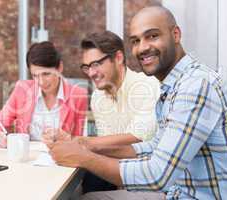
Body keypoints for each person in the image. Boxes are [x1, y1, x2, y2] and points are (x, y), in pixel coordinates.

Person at [48, 6, 227, 200]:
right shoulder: (173, 87)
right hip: (176, 192)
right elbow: (153, 147)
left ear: (176, 34)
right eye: (136, 41)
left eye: (152, 36)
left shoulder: (195, 86)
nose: (143, 47)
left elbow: (158, 175)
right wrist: (88, 144)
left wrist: (83, 157)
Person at [44, 31, 159, 193]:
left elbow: (138, 137)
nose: (91, 73)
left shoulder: (147, 86)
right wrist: (73, 141)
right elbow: (108, 146)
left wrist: (81, 142)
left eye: (96, 64)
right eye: (87, 67)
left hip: (148, 179)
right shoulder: (98, 97)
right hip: (118, 174)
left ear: (118, 58)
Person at [0, 41, 88, 147]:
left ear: (60, 68)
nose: (41, 82)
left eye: (46, 74)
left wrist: (65, 138)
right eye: (35, 76)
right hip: (26, 158)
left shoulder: (78, 95)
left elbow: (79, 142)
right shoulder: (22, 90)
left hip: (60, 159)